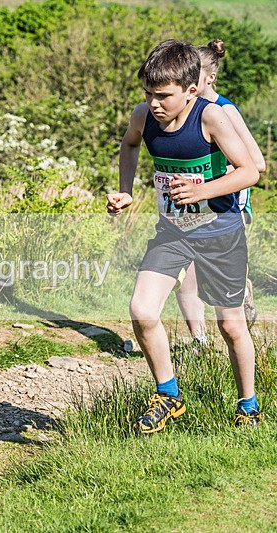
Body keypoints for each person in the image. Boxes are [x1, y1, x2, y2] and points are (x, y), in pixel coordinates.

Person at [107, 40, 261, 432]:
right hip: (173, 231)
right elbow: (129, 145)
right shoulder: (144, 116)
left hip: (220, 233)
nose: (154, 103)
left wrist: (203, 190)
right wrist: (125, 189)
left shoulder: (212, 118)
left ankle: (249, 405)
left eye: (163, 95)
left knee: (230, 326)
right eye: (148, 93)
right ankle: (169, 395)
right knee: (142, 310)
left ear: (191, 90)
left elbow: (250, 171)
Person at [174, 39, 266, 337]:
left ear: (208, 77)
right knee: (185, 277)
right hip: (191, 207)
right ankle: (199, 343)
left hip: (228, 208)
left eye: (191, 75)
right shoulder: (185, 109)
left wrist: (211, 176)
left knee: (205, 281)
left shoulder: (224, 110)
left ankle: (240, 293)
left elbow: (258, 164)